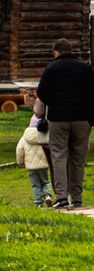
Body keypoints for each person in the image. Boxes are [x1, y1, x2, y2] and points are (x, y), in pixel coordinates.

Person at [37, 39, 94, 210]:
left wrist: (53, 103)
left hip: (59, 118)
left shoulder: (52, 68)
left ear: (56, 52)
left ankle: (61, 196)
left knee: (58, 156)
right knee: (78, 159)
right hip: (82, 118)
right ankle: (76, 197)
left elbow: (41, 92)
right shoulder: (85, 68)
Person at [22, 107, 55, 207]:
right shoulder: (44, 136)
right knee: (45, 182)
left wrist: (20, 161)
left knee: (35, 184)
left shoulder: (24, 137)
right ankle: (48, 196)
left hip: (31, 167)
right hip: (43, 165)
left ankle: (38, 202)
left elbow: (19, 150)